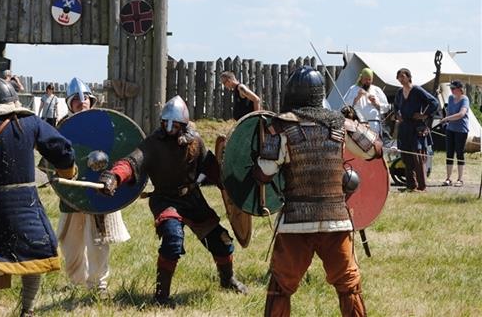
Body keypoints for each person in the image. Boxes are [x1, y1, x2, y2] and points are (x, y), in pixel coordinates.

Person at [255, 66, 383, 317]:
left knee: (281, 287)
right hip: (335, 221)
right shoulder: (339, 124)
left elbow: (264, 172)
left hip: (296, 223)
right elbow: (375, 149)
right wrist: (354, 123)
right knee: (349, 287)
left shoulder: (281, 127)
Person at [98, 95, 248, 307]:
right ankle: (161, 296)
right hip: (165, 199)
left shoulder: (195, 142)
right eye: (165, 123)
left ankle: (227, 279)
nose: (169, 128)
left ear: (183, 124)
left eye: (174, 124)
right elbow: (131, 163)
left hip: (193, 199)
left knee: (221, 240)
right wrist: (114, 177)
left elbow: (214, 170)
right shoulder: (153, 144)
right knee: (172, 240)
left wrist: (234, 186)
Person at [0, 78, 76, 317]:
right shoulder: (30, 123)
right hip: (27, 207)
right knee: (35, 258)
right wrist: (67, 170)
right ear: (14, 101)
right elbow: (62, 149)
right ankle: (27, 310)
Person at [55, 78, 129, 295]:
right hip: (72, 190)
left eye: (85, 97)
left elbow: (119, 149)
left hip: (98, 190)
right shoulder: (62, 126)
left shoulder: (103, 122)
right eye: (76, 99)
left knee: (97, 240)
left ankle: (99, 285)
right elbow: (52, 159)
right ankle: (77, 282)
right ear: (69, 102)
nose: (81, 101)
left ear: (92, 99)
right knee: (70, 241)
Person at [393, 68, 439, 192]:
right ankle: (411, 185)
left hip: (416, 127)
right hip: (405, 128)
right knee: (406, 157)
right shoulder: (399, 92)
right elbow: (395, 106)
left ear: (408, 77)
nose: (400, 79)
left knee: (418, 157)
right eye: (399, 77)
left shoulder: (417, 90)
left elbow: (434, 102)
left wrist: (424, 115)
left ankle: (422, 186)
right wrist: (398, 115)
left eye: (402, 76)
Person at [439, 80, 470, 187]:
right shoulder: (450, 98)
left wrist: (447, 118)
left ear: (460, 89)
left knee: (459, 153)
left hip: (461, 130)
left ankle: (460, 179)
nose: (451, 90)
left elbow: (461, 114)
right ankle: (448, 178)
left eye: (453, 88)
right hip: (450, 129)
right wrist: (446, 119)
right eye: (451, 88)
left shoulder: (465, 99)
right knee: (449, 153)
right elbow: (449, 111)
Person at [342, 68, 390, 135]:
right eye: (365, 79)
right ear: (361, 78)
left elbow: (386, 108)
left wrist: (376, 104)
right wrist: (357, 97)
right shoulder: (353, 89)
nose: (367, 81)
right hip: (358, 125)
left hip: (374, 126)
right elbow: (345, 106)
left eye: (369, 79)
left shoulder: (377, 90)